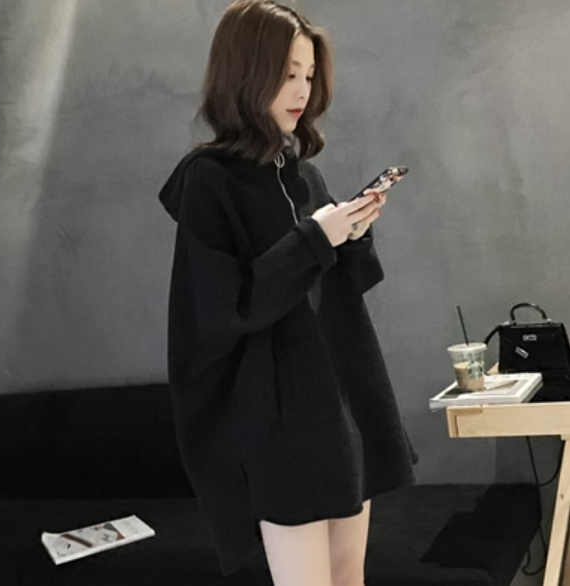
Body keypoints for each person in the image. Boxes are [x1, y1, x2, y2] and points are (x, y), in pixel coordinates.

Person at [158, 1, 416, 584]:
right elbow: (227, 309)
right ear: (245, 74)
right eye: (286, 73)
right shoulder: (208, 182)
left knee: (350, 577)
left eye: (307, 74)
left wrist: (352, 234)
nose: (301, 90)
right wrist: (316, 237)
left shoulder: (304, 174)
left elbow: (340, 293)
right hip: (279, 427)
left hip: (340, 407)